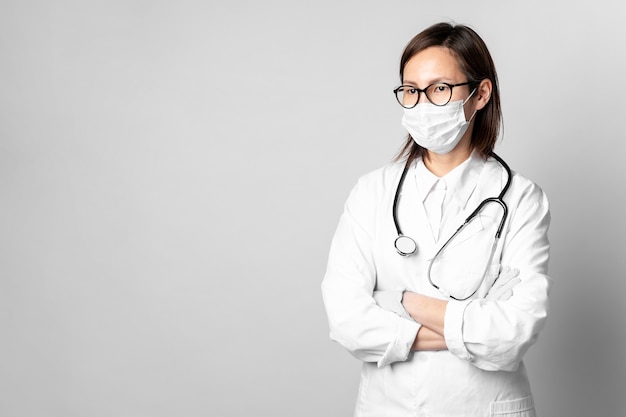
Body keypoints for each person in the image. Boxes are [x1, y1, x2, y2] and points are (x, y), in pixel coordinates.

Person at [321, 22, 551, 417]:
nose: (423, 104)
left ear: (480, 94)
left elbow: (514, 331)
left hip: (485, 406)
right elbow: (346, 322)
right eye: (411, 91)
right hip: (390, 406)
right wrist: (473, 318)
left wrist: (399, 302)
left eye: (440, 88)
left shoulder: (521, 199)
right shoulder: (371, 193)